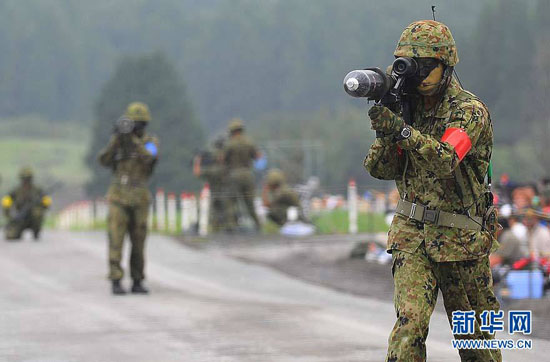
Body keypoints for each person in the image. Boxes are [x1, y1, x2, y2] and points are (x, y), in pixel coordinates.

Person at [363, 20, 501, 361]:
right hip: (412, 236)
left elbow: (445, 159)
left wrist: (403, 132)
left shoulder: (469, 113)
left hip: (461, 239)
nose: (420, 74)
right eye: (414, 66)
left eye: (428, 66)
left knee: (475, 341)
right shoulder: (406, 107)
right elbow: (380, 169)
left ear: (447, 64)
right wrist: (388, 130)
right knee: (409, 326)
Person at [98, 102, 159, 295]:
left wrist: (132, 140)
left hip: (139, 197)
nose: (137, 127)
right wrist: (116, 140)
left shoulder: (151, 141)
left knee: (138, 241)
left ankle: (137, 279)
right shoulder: (120, 141)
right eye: (134, 123)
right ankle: (116, 278)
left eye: (140, 124)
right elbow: (104, 160)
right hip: (118, 196)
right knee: (116, 238)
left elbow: (150, 157)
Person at [223, 118, 261, 231]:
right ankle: (258, 225)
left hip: (234, 174)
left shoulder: (229, 144)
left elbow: (222, 159)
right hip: (248, 174)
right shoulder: (249, 142)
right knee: (249, 202)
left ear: (232, 131)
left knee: (231, 201)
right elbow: (258, 156)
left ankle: (231, 225)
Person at [193, 137, 235, 232]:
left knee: (215, 217)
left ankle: (218, 229)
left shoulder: (213, 169)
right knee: (228, 216)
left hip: (216, 195)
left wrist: (198, 160)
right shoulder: (229, 167)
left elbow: (197, 172)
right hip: (226, 195)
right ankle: (229, 227)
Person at [2, 167, 51, 240]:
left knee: (37, 212)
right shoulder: (16, 191)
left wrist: (40, 205)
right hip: (21, 218)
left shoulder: (37, 190)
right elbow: (6, 200)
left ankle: (36, 231)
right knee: (11, 236)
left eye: (28, 179)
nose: (26, 181)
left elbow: (46, 202)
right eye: (24, 179)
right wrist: (9, 215)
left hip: (32, 219)